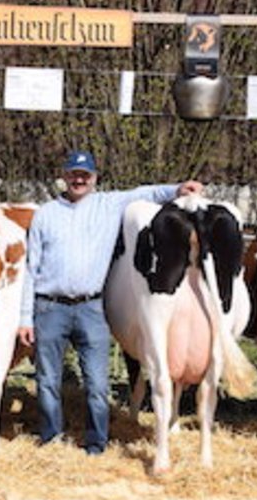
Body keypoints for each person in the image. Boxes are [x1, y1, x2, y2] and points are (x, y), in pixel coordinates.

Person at [17, 151, 203, 455]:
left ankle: (96, 444)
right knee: (48, 380)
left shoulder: (109, 204)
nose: (79, 179)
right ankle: (51, 439)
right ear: (64, 175)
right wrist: (26, 316)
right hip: (48, 307)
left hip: (92, 308)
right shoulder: (45, 214)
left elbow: (146, 191)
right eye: (74, 174)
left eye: (85, 175)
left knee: (97, 382)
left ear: (94, 178)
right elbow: (30, 268)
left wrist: (178, 189)